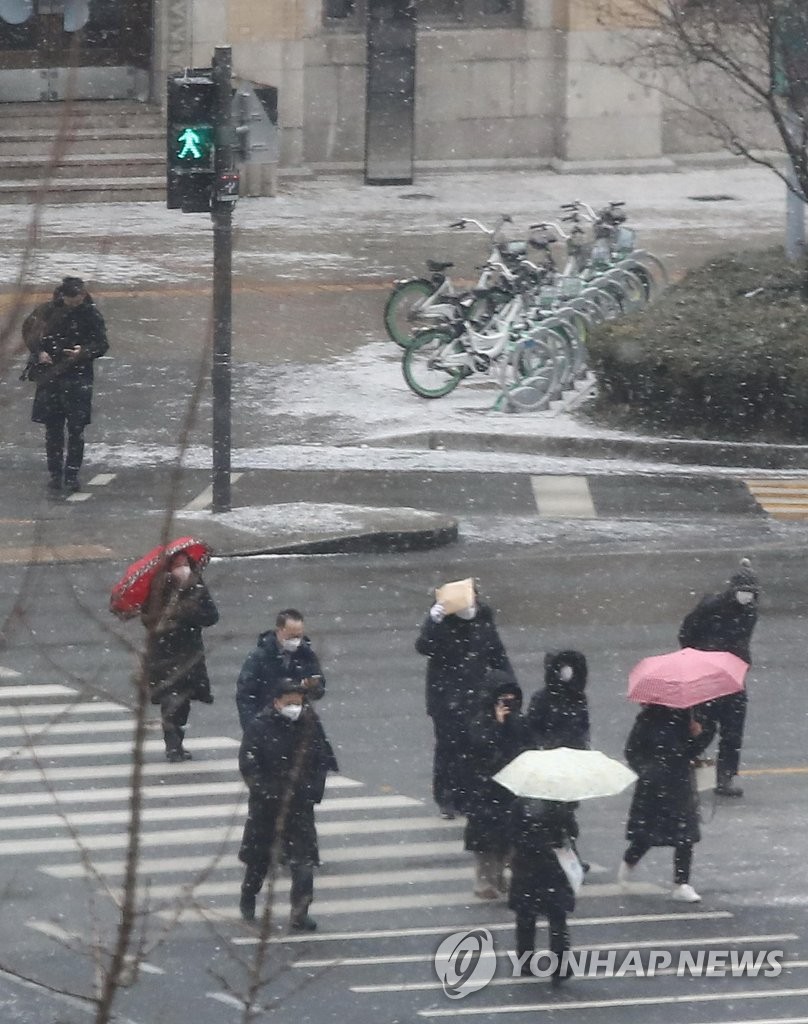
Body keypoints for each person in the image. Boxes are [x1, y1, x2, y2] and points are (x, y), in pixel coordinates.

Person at [238, 680, 338, 931]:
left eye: (298, 702)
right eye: (289, 702)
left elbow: (321, 760)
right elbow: (250, 765)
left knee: (303, 861)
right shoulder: (260, 727)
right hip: (266, 807)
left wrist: (312, 792)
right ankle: (248, 896)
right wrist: (267, 792)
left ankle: (300, 912)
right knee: (258, 858)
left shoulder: (310, 725)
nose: (294, 707)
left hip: (300, 805)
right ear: (276, 702)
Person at [415, 587, 515, 819]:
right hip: (445, 698)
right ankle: (447, 798)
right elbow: (424, 646)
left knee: (474, 747)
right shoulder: (441, 622)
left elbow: (497, 654)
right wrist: (432, 623)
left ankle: (467, 796)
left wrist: (509, 686)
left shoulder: (483, 618)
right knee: (449, 748)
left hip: (477, 695)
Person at [678, 559, 759, 797]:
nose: (747, 597)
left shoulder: (750, 610)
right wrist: (702, 655)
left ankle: (725, 777)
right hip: (709, 674)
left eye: (751, 593)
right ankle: (684, 766)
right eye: (744, 592)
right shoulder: (710, 606)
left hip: (734, 675)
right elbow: (686, 633)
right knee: (705, 728)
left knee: (733, 731)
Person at [22, 276, 109, 494]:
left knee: (76, 428)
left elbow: (101, 343)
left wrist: (83, 352)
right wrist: (39, 352)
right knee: (53, 429)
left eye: (78, 298)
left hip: (77, 377)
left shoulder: (90, 314)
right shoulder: (47, 311)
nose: (76, 302)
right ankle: (56, 473)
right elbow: (29, 332)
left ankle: (71, 474)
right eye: (72, 299)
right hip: (52, 375)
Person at [618, 704, 710, 903]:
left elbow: (692, 750)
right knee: (646, 835)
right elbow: (631, 751)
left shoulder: (687, 717)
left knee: (684, 836)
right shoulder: (647, 720)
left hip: (679, 782)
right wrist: (648, 771)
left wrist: (700, 734)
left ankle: (681, 883)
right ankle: (629, 860)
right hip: (653, 786)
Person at [141, 551, 219, 762]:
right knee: (171, 700)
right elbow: (149, 620)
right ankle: (173, 745)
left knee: (184, 701)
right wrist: (171, 613)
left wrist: (189, 611)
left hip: (190, 653)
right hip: (164, 654)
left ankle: (178, 741)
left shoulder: (197, 586)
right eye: (177, 564)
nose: (182, 568)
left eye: (185, 563)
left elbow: (211, 616)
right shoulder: (158, 589)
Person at [464, 672, 530, 899]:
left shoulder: (520, 722)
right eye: (503, 699)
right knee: (485, 842)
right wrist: (498, 727)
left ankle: (500, 876)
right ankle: (485, 881)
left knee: (508, 840)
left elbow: (524, 747)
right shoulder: (481, 721)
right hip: (486, 791)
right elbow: (481, 750)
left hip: (511, 790)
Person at [508, 797, 579, 986]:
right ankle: (560, 964)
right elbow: (573, 832)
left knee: (525, 917)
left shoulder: (520, 805)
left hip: (526, 867)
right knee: (557, 918)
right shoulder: (561, 804)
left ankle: (525, 960)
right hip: (553, 867)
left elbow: (513, 834)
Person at [236, 609, 325, 731]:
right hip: (267, 724)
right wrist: (252, 727)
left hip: (299, 725)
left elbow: (319, 689)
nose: (295, 641)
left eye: (299, 636)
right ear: (279, 631)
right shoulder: (260, 657)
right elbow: (245, 694)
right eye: (291, 636)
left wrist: (312, 686)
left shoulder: (306, 655)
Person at [527, 650, 590, 751]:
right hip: (551, 753)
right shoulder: (542, 698)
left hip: (574, 752)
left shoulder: (578, 697)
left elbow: (583, 727)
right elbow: (533, 729)